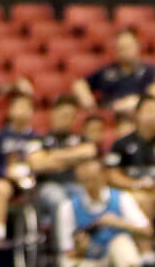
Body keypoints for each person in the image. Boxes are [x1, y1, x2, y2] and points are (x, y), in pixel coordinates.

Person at [104, 94, 155, 232]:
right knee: (143, 199)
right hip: (132, 192)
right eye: (149, 110)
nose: (153, 115)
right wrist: (136, 185)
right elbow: (112, 175)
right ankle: (146, 245)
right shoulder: (121, 144)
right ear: (137, 114)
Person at [35, 93, 102, 260]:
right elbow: (38, 164)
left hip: (72, 184)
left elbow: (90, 151)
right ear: (54, 114)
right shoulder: (41, 139)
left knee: (85, 198)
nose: (67, 119)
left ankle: (89, 249)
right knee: (61, 201)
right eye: (64, 115)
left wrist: (53, 158)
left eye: (71, 116)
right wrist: (72, 158)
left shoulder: (79, 138)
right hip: (46, 187)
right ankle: (64, 253)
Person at [0, 89, 44, 243]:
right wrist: (6, 172)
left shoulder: (36, 137)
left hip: (31, 181)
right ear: (10, 111)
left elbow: (42, 162)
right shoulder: (1, 137)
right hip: (8, 180)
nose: (23, 111)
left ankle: (36, 232)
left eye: (27, 107)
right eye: (19, 107)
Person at [70, 156, 151, 267]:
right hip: (90, 260)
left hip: (116, 256)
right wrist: (80, 249)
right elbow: (66, 254)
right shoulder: (69, 207)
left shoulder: (121, 198)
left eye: (94, 178)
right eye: (86, 180)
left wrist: (118, 222)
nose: (91, 184)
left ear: (103, 176)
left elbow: (147, 231)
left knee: (122, 243)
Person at [74, 30, 155, 117]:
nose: (126, 52)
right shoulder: (107, 72)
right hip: (111, 117)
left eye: (129, 47)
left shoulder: (149, 71)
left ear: (137, 47)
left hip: (138, 115)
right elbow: (79, 84)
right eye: (122, 48)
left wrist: (136, 102)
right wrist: (89, 102)